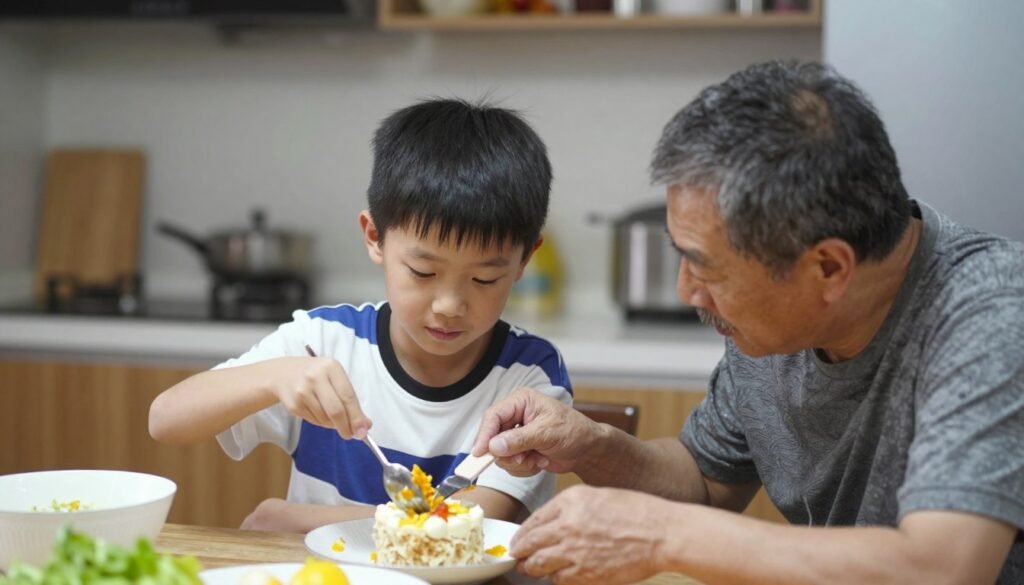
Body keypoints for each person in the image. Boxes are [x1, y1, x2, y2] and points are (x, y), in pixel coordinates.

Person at [471, 61, 1024, 584]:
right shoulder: (777, 323)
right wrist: (591, 445)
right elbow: (706, 482)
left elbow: (943, 567)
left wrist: (659, 534)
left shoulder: (993, 310)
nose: (687, 290)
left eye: (706, 268)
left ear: (827, 268)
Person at [149, 98, 572, 533]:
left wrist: (303, 521)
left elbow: (478, 521)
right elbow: (165, 420)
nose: (449, 305)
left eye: (484, 279)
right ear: (375, 238)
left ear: (524, 260)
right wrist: (272, 377)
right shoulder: (324, 341)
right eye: (423, 272)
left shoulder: (529, 377)